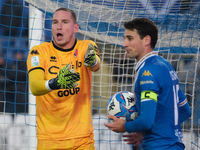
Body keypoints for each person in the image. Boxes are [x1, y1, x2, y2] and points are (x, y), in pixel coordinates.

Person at [104, 18, 191, 150]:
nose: (124, 44)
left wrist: (124, 126)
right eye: (124, 38)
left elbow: (146, 121)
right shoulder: (165, 65)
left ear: (146, 40)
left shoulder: (147, 71)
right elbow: (185, 110)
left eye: (130, 38)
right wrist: (156, 131)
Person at [26, 8, 100, 150]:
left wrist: (92, 61)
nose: (59, 26)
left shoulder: (86, 47)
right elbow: (35, 87)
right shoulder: (39, 52)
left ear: (75, 28)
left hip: (82, 140)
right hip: (49, 140)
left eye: (65, 22)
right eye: (55, 22)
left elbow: (96, 65)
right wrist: (56, 83)